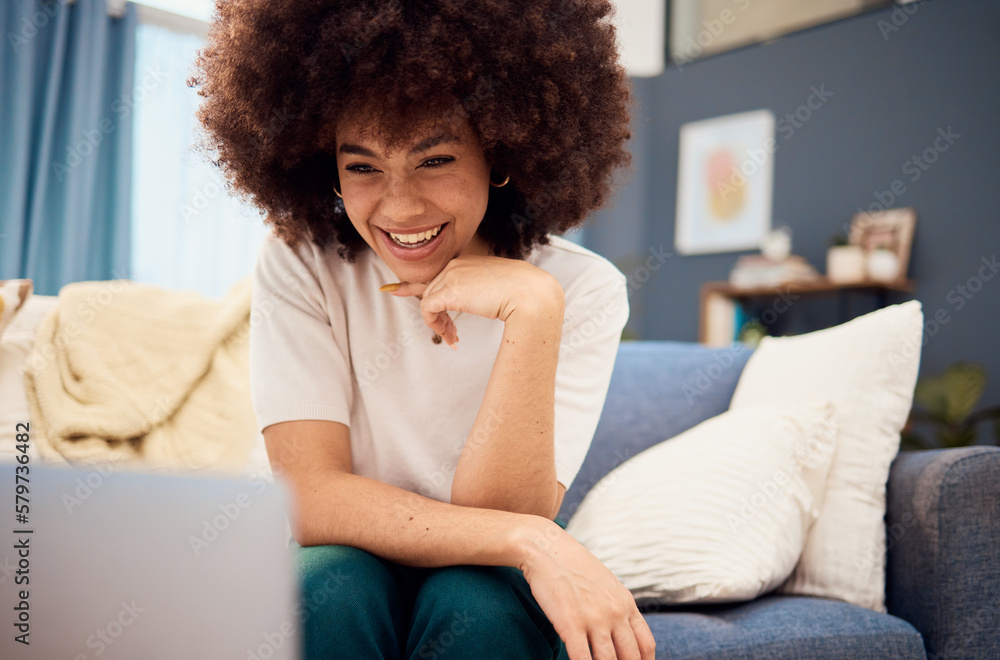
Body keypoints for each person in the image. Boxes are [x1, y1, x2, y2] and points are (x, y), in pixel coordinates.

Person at [190, 1, 654, 658]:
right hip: (342, 553)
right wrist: (535, 540)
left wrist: (533, 311)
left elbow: (502, 505)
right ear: (326, 166)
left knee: (478, 604)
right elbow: (312, 499)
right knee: (332, 584)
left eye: (433, 160)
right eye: (363, 166)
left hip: (483, 571)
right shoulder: (301, 262)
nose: (400, 206)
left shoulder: (578, 288)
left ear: (498, 151)